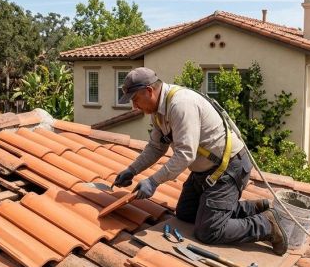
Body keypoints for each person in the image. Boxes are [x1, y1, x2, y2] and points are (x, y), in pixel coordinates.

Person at [112, 66, 288, 255]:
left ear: (149, 91)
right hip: (204, 171)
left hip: (227, 169)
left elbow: (185, 154)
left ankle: (267, 224)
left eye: (135, 99)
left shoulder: (180, 105)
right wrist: (132, 170)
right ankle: (254, 207)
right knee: (186, 213)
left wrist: (153, 181)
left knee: (209, 231)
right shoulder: (158, 113)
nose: (135, 106)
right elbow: (156, 147)